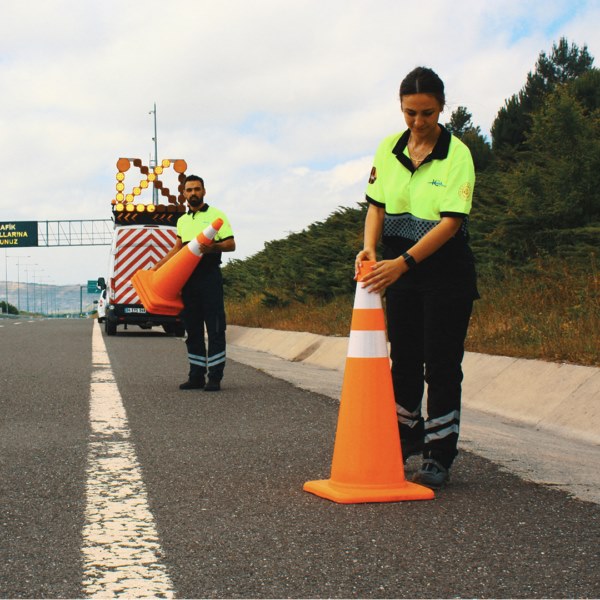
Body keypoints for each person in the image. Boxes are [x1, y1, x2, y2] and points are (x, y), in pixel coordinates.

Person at [355, 67, 479, 489]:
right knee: (403, 359)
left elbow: (449, 224)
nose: (419, 121)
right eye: (410, 112)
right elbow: (375, 206)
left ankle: (439, 452)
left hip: (445, 273)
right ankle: (405, 436)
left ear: (442, 107)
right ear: (401, 107)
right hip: (397, 269)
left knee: (441, 363)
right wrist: (371, 248)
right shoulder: (388, 149)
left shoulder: (457, 153)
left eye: (427, 113)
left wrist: (402, 263)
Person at [154, 175, 236, 392]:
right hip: (188, 282)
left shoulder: (216, 215)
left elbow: (231, 244)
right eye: (189, 190)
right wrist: (157, 268)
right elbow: (177, 249)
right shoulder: (182, 221)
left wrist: (212, 248)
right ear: (183, 194)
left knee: (216, 329)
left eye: (197, 189)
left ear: (204, 191)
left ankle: (215, 377)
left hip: (209, 278)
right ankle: (196, 375)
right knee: (193, 330)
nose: (193, 193)